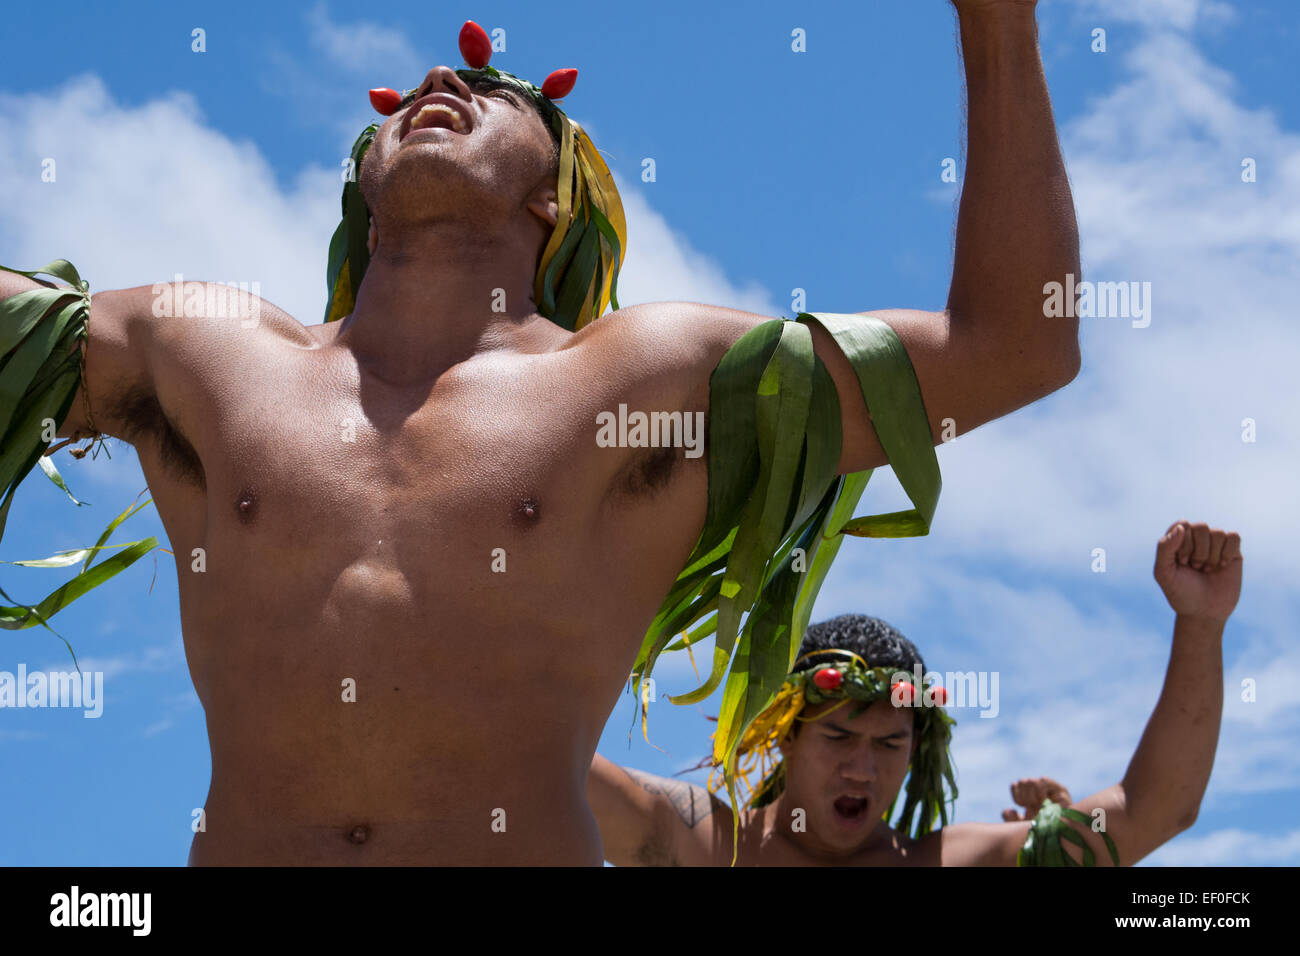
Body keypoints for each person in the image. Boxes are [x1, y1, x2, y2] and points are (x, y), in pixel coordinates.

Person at [0, 2, 1079, 864]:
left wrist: (998, 20)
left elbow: (1015, 346)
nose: (440, 84)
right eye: (420, 88)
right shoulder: (205, 351)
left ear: (555, 197)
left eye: (491, 90)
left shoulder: (637, 378)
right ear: (364, 192)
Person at [588, 520, 1241, 866]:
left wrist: (1201, 624)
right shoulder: (702, 846)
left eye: (891, 744)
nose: (864, 769)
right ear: (784, 732)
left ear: (918, 752)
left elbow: (1158, 812)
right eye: (840, 736)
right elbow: (539, 770)